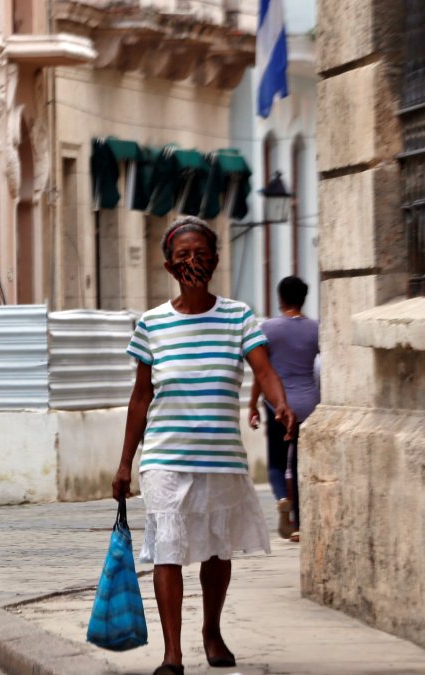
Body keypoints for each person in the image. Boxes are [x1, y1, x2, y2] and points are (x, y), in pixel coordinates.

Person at [112, 216, 296, 675]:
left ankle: (211, 630)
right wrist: (123, 465)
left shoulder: (238, 317)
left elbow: (264, 370)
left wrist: (281, 404)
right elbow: (140, 398)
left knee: (216, 551)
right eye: (183, 256)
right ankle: (172, 653)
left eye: (201, 254)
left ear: (214, 261)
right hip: (164, 457)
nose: (192, 262)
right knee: (169, 547)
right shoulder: (151, 324)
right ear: (168, 265)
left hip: (221, 457)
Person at [249, 276, 320, 542]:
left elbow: (261, 372)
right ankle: (300, 524)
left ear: (280, 298)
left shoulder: (267, 328)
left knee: (278, 463)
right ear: (304, 298)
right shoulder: (316, 329)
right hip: (310, 405)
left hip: (277, 404)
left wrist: (253, 403)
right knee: (301, 466)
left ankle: (281, 498)